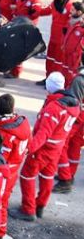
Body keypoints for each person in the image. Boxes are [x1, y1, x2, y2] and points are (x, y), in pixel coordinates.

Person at [14, 74, 83, 221]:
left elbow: (43, 134)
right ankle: (40, 206)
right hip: (56, 149)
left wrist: (28, 149)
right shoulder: (73, 104)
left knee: (27, 175)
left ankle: (28, 209)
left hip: (43, 149)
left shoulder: (54, 108)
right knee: (47, 177)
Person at [0, 94, 31, 239]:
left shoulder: (4, 132)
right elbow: (29, 144)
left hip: (2, 173)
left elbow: (0, 158)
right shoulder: (24, 122)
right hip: (14, 170)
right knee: (1, 204)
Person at [38, 0, 73, 80]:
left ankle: (55, 80)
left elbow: (71, 22)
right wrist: (35, 9)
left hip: (61, 39)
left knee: (58, 61)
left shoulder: (70, 6)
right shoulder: (55, 4)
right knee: (49, 59)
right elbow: (45, 11)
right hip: (53, 36)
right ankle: (48, 78)